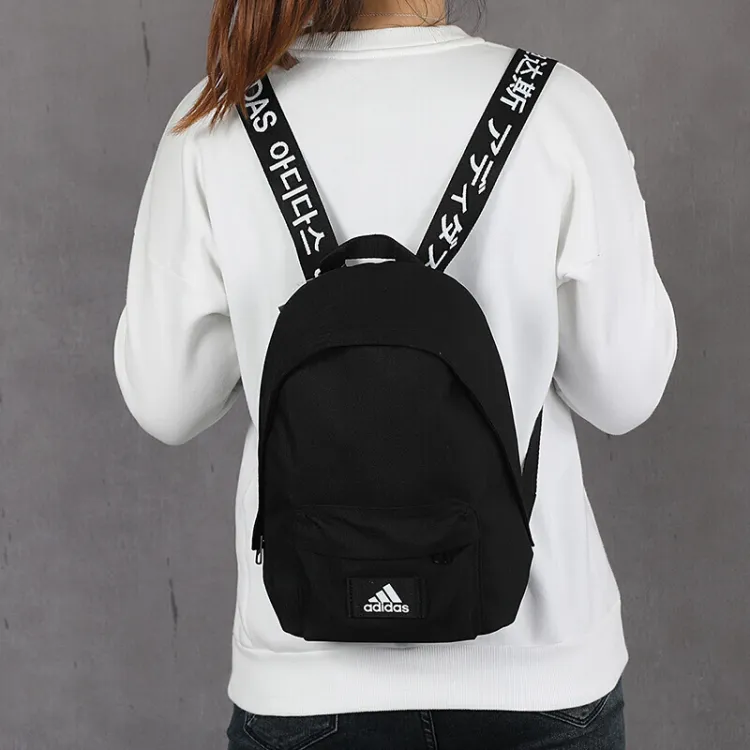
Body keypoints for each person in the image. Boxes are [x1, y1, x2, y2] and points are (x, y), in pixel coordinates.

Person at [113, 0, 678, 747]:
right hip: (538, 670)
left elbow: (167, 402)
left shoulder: (219, 120)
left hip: (305, 681)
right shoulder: (557, 109)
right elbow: (624, 394)